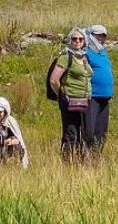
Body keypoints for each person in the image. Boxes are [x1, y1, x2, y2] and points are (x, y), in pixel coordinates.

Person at [49, 28, 93, 162]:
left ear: (84, 41)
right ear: (70, 41)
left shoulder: (85, 58)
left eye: (80, 39)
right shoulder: (65, 57)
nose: (77, 41)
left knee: (86, 133)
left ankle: (82, 161)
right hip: (70, 101)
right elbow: (54, 80)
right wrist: (62, 95)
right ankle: (67, 162)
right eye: (74, 39)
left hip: (85, 100)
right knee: (71, 133)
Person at [84, 24, 113, 156]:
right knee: (89, 130)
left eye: (104, 35)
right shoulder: (86, 52)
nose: (101, 38)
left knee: (101, 131)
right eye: (98, 35)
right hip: (92, 97)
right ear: (92, 35)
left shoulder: (102, 52)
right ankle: (85, 156)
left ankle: (96, 158)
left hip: (105, 97)